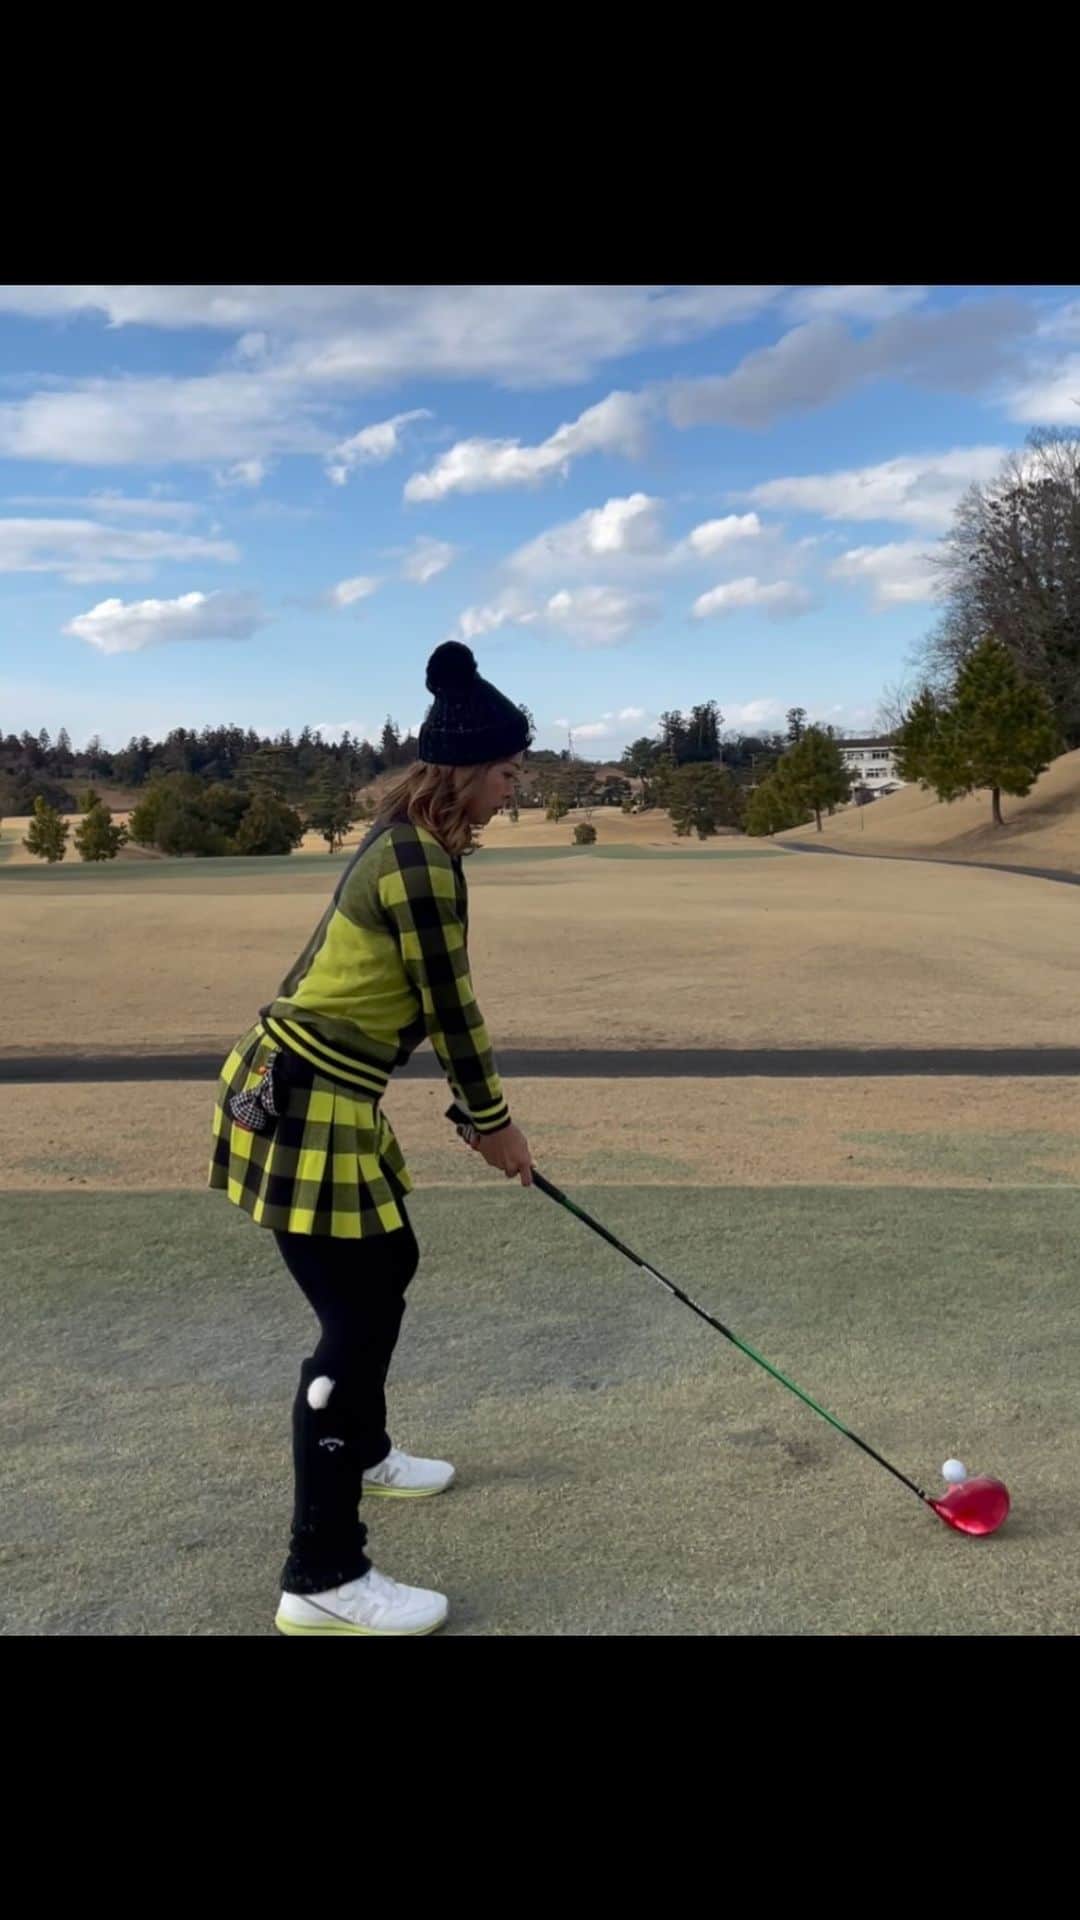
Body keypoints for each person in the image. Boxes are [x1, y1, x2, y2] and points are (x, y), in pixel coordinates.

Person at [208, 641, 534, 1636]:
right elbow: (452, 1009)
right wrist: (495, 1127)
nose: (516, 790)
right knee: (350, 1332)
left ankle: (370, 1447)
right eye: (510, 772)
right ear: (467, 774)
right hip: (306, 1105)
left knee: (389, 1262)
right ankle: (323, 1575)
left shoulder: (399, 841)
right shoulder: (422, 866)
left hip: (306, 1094)